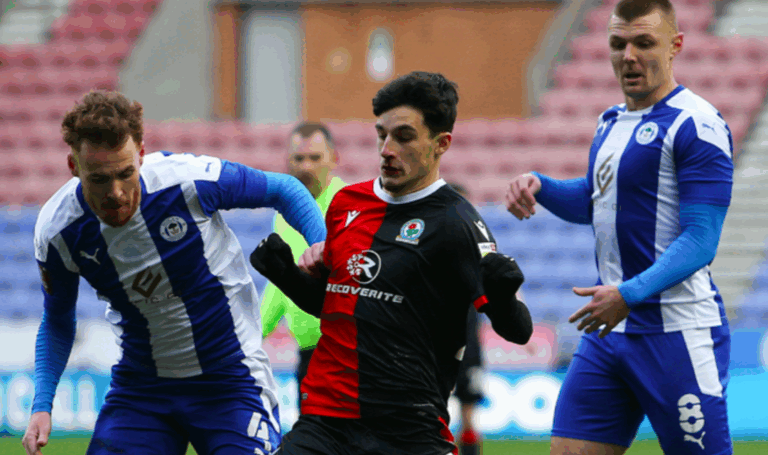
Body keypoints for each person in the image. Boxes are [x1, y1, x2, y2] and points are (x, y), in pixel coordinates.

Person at [22, 91, 327, 455]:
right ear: (74, 166)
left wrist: (322, 246)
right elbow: (57, 320)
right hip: (142, 389)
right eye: (99, 179)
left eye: (125, 173)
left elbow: (285, 189)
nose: (116, 193)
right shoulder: (58, 231)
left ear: (141, 155)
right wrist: (42, 404)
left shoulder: (185, 181)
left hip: (230, 380)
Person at [251, 71, 534, 455]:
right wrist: (285, 274)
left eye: (403, 137)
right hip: (325, 422)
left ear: (440, 144)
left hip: (408, 429)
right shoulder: (347, 205)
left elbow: (518, 331)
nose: (387, 149)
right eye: (381, 135)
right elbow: (334, 303)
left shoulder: (457, 223)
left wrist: (503, 298)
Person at [505, 1, 733, 454]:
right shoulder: (610, 122)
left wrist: (628, 294)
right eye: (618, 44)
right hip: (609, 332)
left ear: (675, 46)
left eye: (644, 43)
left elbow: (701, 238)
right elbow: (598, 202)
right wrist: (541, 186)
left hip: (676, 334)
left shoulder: (697, 124)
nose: (629, 56)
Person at [260, 121, 346, 409]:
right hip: (308, 353)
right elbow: (280, 284)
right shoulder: (284, 213)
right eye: (299, 158)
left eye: (315, 157)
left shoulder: (350, 205)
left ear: (334, 159)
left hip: (346, 351)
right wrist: (255, 333)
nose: (306, 166)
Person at [446, 182, 485, 455]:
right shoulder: (425, 247)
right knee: (430, 412)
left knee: (469, 415)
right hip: (433, 343)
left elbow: (503, 290)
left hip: (469, 343)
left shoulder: (479, 250)